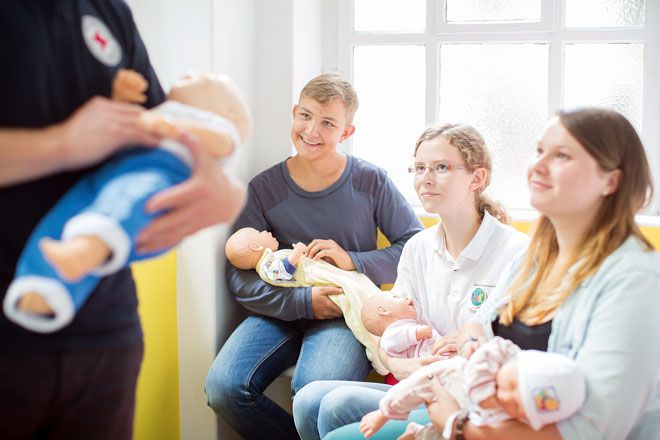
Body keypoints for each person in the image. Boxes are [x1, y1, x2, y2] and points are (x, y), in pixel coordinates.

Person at [326, 107, 660, 440]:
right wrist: (470, 352)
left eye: (562, 156)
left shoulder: (635, 282)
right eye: (540, 151)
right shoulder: (539, 257)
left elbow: (590, 431)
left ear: (610, 180)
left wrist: (457, 424)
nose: (538, 166)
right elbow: (480, 325)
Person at [0, 2, 245, 438]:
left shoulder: (107, 11)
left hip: (106, 334)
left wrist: (227, 195)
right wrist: (60, 145)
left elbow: (152, 135)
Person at [203, 72, 423, 439]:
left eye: (327, 123)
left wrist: (354, 260)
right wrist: (303, 300)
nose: (311, 131)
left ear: (347, 133)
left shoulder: (371, 181)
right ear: (293, 113)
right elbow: (239, 274)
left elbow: (414, 246)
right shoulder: (264, 188)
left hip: (344, 315)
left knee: (310, 394)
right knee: (224, 389)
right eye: (305, 116)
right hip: (279, 310)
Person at [292, 123, 530, 440]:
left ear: (477, 178)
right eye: (419, 168)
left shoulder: (516, 252)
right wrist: (399, 365)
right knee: (308, 399)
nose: (425, 179)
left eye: (441, 167)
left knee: (337, 403)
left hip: (468, 396)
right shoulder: (419, 247)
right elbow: (390, 326)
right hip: (417, 384)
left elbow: (518, 350)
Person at [4, 68, 251, 333]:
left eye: (206, 80)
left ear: (228, 112)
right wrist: (121, 97)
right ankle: (42, 290)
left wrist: (172, 128)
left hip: (160, 172)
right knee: (66, 214)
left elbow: (223, 143)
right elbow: (118, 124)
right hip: (114, 170)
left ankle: (84, 251)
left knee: (123, 204)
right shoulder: (162, 111)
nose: (191, 73)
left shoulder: (216, 124)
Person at [224, 226, 390, 374]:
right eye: (260, 233)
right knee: (355, 307)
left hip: (323, 275)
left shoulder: (270, 257)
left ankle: (387, 328)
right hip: (317, 284)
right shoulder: (266, 265)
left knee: (360, 288)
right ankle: (377, 350)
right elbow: (281, 273)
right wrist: (297, 253)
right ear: (256, 246)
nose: (266, 232)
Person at [359, 337, 586, 439]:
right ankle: (395, 418)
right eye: (509, 385)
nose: (504, 397)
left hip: (460, 424)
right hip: (439, 391)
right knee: (422, 383)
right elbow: (418, 385)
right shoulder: (472, 371)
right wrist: (384, 412)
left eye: (518, 406)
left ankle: (417, 434)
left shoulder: (512, 418)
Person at [361, 292, 440, 359]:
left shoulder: (407, 326)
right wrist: (416, 333)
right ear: (383, 311)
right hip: (428, 361)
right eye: (396, 297)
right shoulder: (388, 336)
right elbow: (390, 342)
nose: (406, 298)